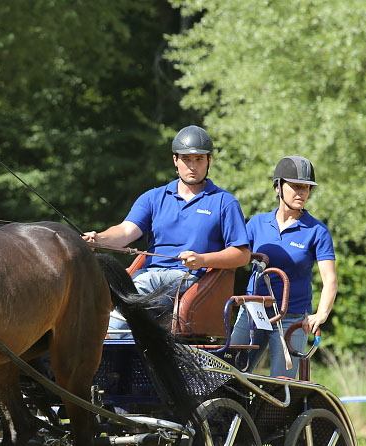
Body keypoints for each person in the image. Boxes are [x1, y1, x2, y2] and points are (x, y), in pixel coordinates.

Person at [83, 126, 251, 333]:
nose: (192, 166)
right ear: (175, 160)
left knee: (140, 284)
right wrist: (99, 238)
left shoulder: (224, 202)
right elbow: (126, 231)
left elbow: (242, 255)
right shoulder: (153, 197)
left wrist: (202, 260)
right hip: (151, 276)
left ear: (209, 161)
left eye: (199, 159)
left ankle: (108, 339)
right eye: (186, 159)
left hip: (190, 279)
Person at [229, 155, 336, 378]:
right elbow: (235, 258)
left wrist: (321, 314)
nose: (302, 193)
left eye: (306, 188)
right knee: (228, 372)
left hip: (292, 316)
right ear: (278, 187)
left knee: (281, 383)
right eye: (296, 186)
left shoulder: (317, 231)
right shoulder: (257, 223)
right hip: (253, 310)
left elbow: (330, 280)